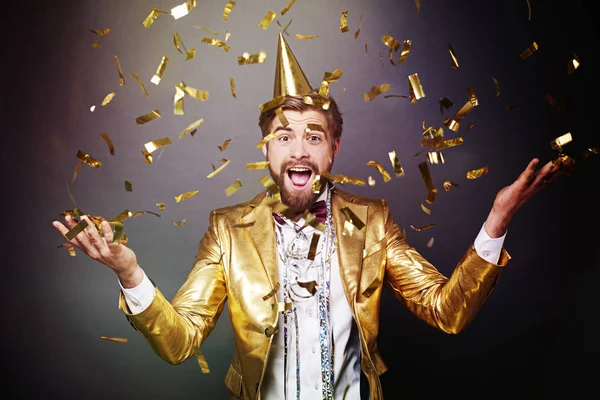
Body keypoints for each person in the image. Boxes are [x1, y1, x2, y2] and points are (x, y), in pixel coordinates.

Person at [52, 33, 568, 400]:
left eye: (314, 136)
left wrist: (496, 221)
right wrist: (129, 273)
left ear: (334, 149)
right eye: (284, 135)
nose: (299, 149)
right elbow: (180, 341)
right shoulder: (228, 230)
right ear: (267, 149)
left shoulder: (373, 222)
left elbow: (446, 311)